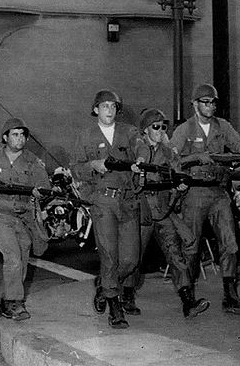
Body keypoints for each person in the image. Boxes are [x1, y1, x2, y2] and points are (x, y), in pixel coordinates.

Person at [169, 83, 240, 314]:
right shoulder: (184, 129)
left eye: (213, 102)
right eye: (205, 102)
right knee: (191, 247)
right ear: (194, 104)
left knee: (230, 244)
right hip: (194, 193)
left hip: (218, 192)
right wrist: (195, 157)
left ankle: (231, 296)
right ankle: (189, 297)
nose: (210, 106)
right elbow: (171, 160)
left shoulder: (222, 126)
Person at [71, 90, 147, 329]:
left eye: (113, 106)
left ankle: (105, 286)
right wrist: (94, 164)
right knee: (109, 255)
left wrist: (141, 160)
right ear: (96, 109)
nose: (109, 109)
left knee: (131, 259)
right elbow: (75, 168)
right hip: (103, 201)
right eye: (104, 106)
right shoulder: (85, 135)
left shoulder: (129, 131)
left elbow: (141, 146)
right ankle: (115, 307)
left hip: (127, 200)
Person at [0, 118, 50, 321]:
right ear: (5, 137)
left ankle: (6, 301)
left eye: (23, 134)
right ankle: (15, 303)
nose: (20, 138)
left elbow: (43, 186)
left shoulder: (32, 161)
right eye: (15, 134)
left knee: (22, 260)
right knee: (13, 258)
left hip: (23, 217)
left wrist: (41, 193)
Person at [136, 109, 210, 318]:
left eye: (163, 127)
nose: (161, 131)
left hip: (162, 208)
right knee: (132, 259)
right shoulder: (137, 150)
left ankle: (188, 302)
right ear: (145, 130)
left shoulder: (168, 152)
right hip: (142, 210)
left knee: (175, 254)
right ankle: (115, 292)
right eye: (156, 127)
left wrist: (179, 187)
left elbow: (177, 173)